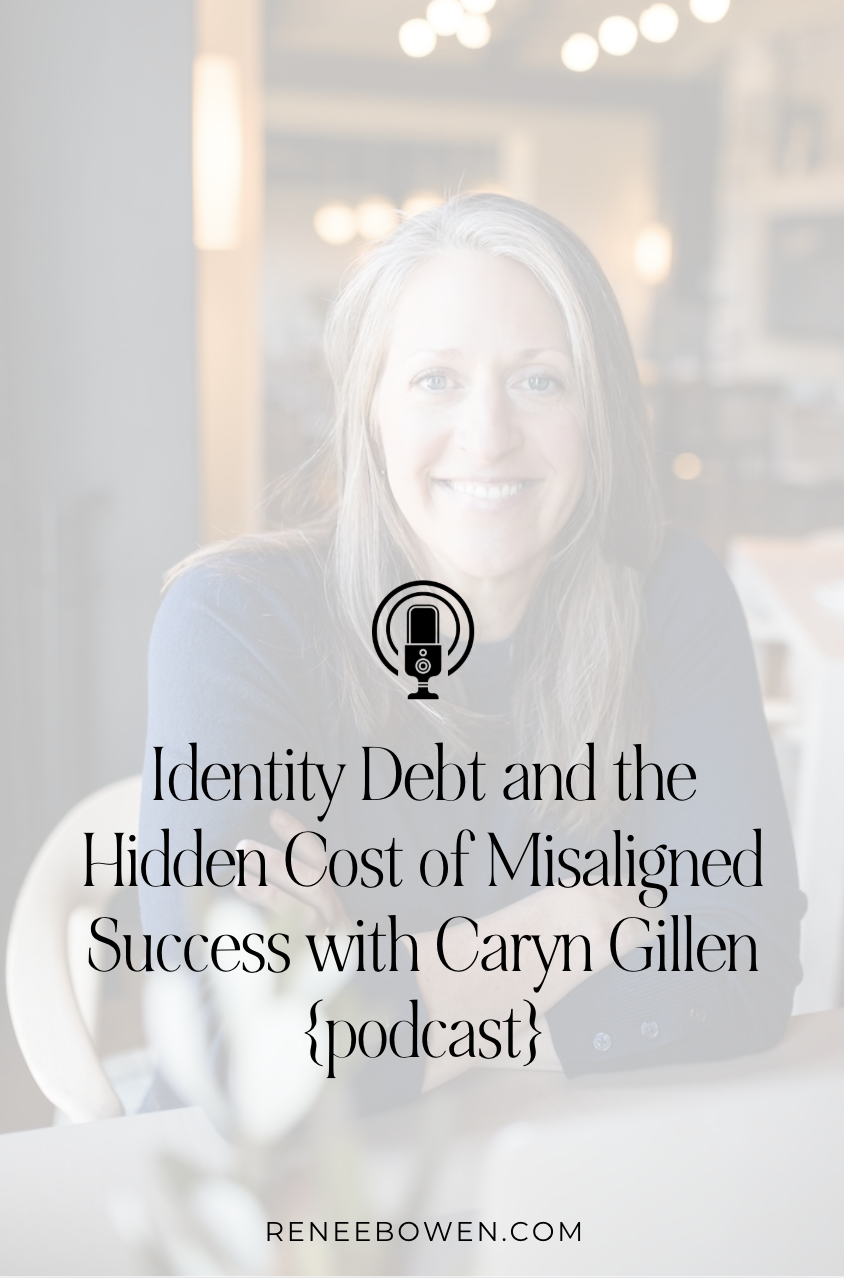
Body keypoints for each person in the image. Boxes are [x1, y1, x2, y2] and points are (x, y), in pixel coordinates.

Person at [138, 194, 804, 1109]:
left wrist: (360, 995)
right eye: (435, 380)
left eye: (541, 380)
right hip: (285, 1214)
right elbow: (236, 1051)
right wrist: (578, 922)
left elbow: (749, 965)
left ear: (599, 410)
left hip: (580, 1172)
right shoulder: (235, 619)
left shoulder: (666, 591)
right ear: (368, 410)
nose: (487, 435)